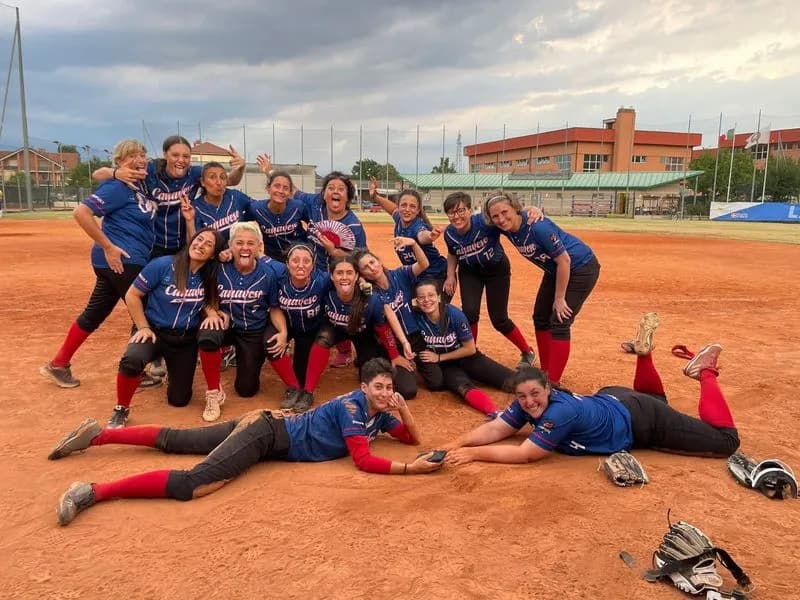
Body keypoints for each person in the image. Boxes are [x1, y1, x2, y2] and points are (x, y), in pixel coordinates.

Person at [49, 358, 443, 526]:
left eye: (388, 388)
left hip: (268, 427)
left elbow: (410, 438)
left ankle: (97, 435)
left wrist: (402, 409)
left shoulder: (377, 413)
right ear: (363, 387)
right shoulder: (354, 409)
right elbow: (363, 460)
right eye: (378, 387)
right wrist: (411, 470)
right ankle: (92, 491)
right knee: (195, 483)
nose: (384, 392)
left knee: (179, 439)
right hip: (267, 436)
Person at [442, 313, 740, 466]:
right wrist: (453, 444)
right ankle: (644, 355)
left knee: (726, 442)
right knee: (655, 400)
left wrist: (474, 455)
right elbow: (496, 429)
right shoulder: (533, 400)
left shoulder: (559, 412)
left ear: (548, 388)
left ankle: (705, 373)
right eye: (522, 396)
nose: (529, 402)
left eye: (534, 394)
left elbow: (526, 454)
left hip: (640, 419)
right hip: (618, 400)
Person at [94, 136, 244, 387]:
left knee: (190, 292)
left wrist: (238, 167)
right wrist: (117, 172)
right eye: (175, 155)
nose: (181, 160)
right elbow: (99, 174)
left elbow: (228, 180)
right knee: (150, 298)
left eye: (186, 156)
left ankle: (190, 346)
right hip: (153, 247)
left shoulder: (193, 172)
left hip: (183, 244)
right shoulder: (151, 168)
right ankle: (149, 356)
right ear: (165, 156)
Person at [40, 140, 155, 388]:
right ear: (120, 161)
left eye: (143, 154)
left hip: (121, 261)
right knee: (144, 312)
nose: (140, 159)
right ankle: (134, 369)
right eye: (132, 155)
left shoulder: (138, 186)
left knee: (95, 313)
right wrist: (108, 246)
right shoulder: (117, 187)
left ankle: (59, 364)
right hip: (123, 259)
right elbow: (81, 212)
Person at [105, 227, 226, 428]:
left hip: (184, 339)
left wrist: (212, 311)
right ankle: (121, 409)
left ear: (213, 254)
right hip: (154, 331)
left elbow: (205, 300)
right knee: (132, 360)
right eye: (199, 239)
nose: (200, 245)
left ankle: (173, 372)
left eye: (208, 244)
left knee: (179, 400)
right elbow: (132, 295)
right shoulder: (163, 265)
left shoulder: (209, 274)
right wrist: (142, 327)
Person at [485, 191, 600, 385]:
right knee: (540, 316)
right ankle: (545, 372)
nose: (501, 219)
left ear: (515, 209)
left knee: (560, 320)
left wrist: (560, 298)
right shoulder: (507, 227)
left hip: (580, 267)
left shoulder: (538, 228)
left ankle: (552, 383)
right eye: (495, 216)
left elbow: (564, 260)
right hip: (555, 270)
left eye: (505, 212)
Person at [196, 222, 289, 422]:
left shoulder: (268, 273)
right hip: (226, 325)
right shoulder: (218, 268)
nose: (245, 248)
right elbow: (204, 297)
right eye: (239, 243)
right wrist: (212, 312)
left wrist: (283, 332)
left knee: (246, 390)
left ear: (258, 247)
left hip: (252, 331)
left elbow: (274, 308)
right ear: (230, 246)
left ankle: (242, 356)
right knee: (208, 335)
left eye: (250, 243)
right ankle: (213, 392)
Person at [300, 255, 415, 411]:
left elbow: (382, 327)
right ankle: (308, 391)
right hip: (336, 328)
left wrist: (394, 354)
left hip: (362, 333)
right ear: (331, 276)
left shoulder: (371, 298)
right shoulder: (325, 289)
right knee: (323, 339)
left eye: (349, 272)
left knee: (365, 375)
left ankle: (359, 360)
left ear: (356, 276)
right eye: (339, 273)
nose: (344, 277)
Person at [442, 191, 539, 369]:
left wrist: (531, 210)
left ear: (470, 210)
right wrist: (450, 275)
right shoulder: (449, 234)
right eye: (452, 212)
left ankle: (527, 351)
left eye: (461, 210)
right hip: (470, 272)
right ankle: (470, 353)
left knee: (499, 319)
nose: (457, 216)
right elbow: (452, 253)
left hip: (497, 271)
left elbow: (507, 215)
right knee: (470, 313)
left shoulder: (485, 223)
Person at [412, 280, 514, 417]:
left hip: (467, 357)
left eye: (431, 295)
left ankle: (549, 394)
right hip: (446, 366)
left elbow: (470, 349)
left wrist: (439, 357)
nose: (427, 300)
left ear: (439, 297)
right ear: (416, 301)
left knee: (507, 379)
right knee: (462, 385)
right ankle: (494, 412)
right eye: (422, 297)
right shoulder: (415, 318)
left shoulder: (454, 314)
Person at [270, 244, 331, 412]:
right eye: (295, 261)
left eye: (306, 261)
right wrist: (282, 333)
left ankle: (308, 392)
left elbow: (347, 272)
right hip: (289, 325)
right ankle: (294, 389)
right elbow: (274, 307)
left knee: (304, 374)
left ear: (313, 264)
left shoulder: (323, 279)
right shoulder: (278, 278)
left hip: (311, 330)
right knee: (270, 341)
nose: (301, 265)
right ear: (287, 264)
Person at [368, 177, 448, 294]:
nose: (407, 209)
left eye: (412, 206)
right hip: (416, 276)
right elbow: (391, 209)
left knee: (422, 306)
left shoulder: (417, 227)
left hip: (435, 275)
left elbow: (422, 236)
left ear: (418, 210)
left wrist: (430, 235)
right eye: (403, 205)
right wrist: (375, 197)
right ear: (399, 206)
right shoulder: (399, 218)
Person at [247, 165, 309, 260]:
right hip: (273, 260)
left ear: (290, 192)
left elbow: (314, 223)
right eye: (276, 186)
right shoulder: (256, 209)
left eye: (285, 188)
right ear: (268, 189)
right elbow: (243, 228)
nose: (280, 191)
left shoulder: (298, 206)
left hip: (298, 257)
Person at [187, 162, 253, 243]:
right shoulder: (195, 207)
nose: (219, 182)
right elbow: (194, 244)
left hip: (238, 251)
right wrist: (189, 221)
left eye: (222, 177)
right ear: (202, 182)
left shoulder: (236, 196)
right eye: (212, 177)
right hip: (211, 254)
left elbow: (259, 209)